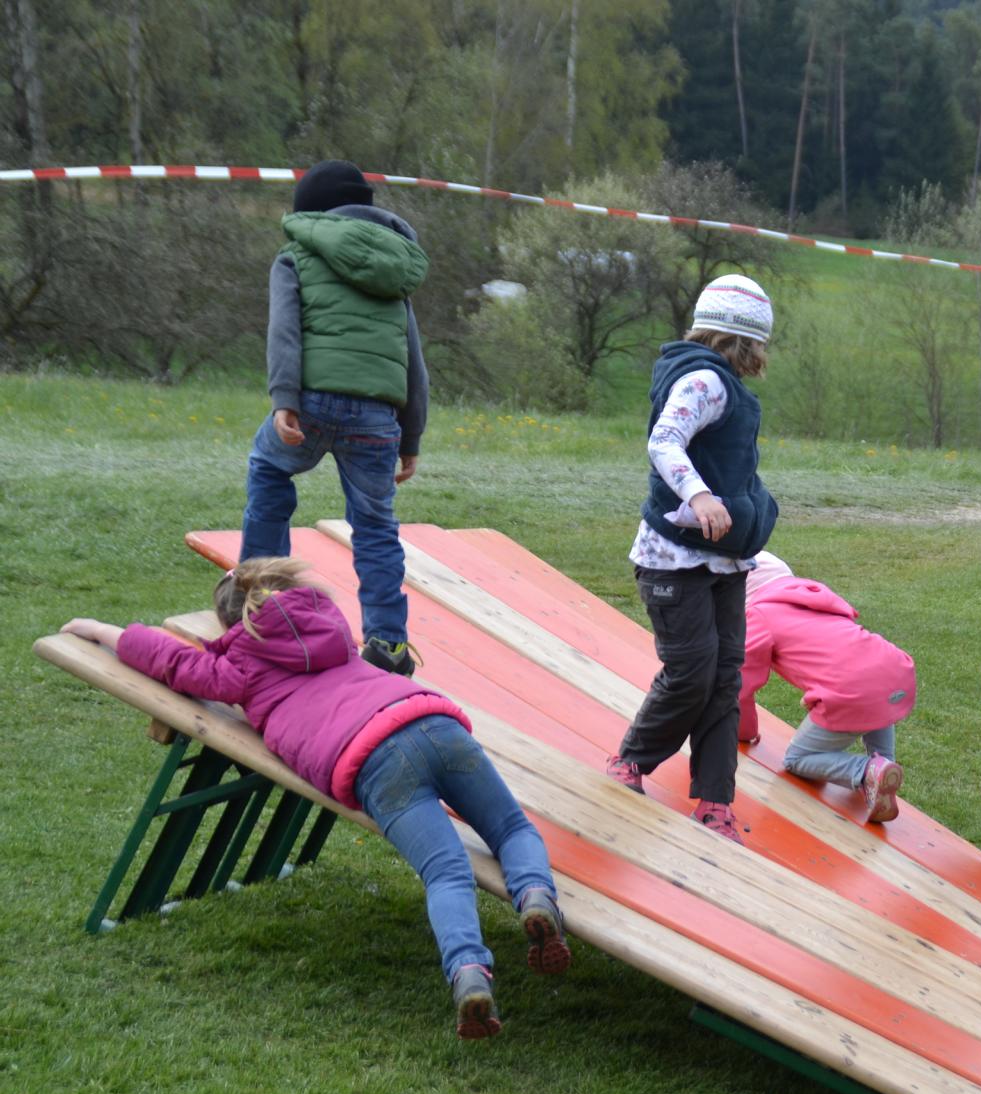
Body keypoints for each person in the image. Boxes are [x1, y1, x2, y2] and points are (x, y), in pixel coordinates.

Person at [61, 557, 569, 1042]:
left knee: (446, 872)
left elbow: (172, 662)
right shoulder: (330, 633)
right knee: (511, 829)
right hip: (431, 722)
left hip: (374, 760)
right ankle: (534, 897)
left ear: (232, 623)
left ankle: (469, 972)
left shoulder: (239, 666)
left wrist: (104, 631)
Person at [604, 276, 780, 846]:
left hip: (721, 562)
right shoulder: (705, 380)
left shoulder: (722, 383)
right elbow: (664, 441)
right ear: (746, 341)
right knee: (693, 672)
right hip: (674, 561)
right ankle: (632, 759)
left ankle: (714, 801)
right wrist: (699, 496)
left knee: (725, 678)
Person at [243, 158, 432, 677]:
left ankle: (261, 605)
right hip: (376, 417)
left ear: (310, 211)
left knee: (269, 469)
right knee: (375, 526)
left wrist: (284, 399)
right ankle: (389, 643)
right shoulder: (396, 267)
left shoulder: (295, 255)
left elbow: (284, 331)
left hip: (312, 402)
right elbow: (413, 358)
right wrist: (411, 435)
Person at [736, 551, 916, 823]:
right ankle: (884, 763)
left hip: (854, 692)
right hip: (895, 669)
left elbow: (740, 688)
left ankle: (866, 771)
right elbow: (837, 651)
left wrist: (745, 732)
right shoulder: (816, 596)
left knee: (797, 759)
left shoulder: (758, 614)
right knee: (874, 692)